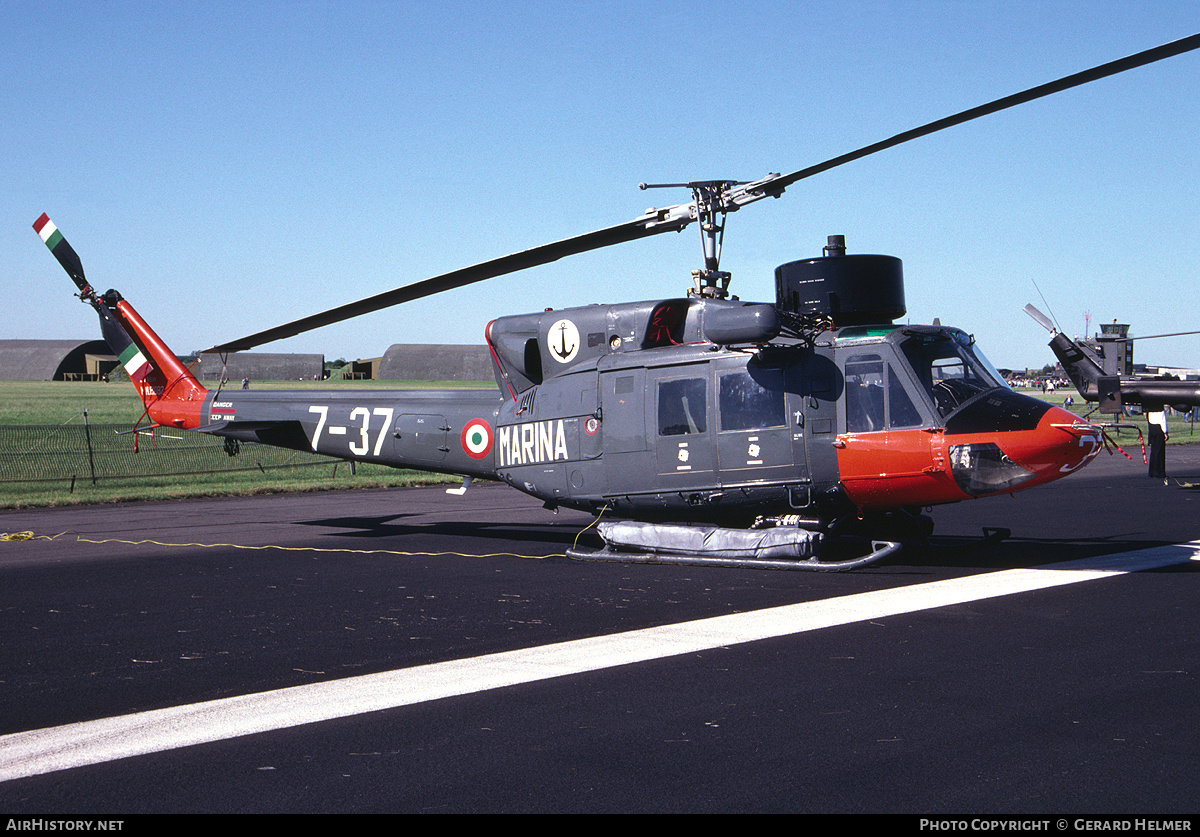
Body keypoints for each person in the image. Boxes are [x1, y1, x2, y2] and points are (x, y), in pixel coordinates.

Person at [1147, 408, 1168, 482]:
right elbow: (1163, 420)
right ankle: (1159, 472)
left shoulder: (1150, 409)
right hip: (1159, 429)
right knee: (1160, 451)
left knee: (1153, 450)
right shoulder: (1161, 410)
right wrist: (1165, 432)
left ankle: (1152, 472)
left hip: (1152, 428)